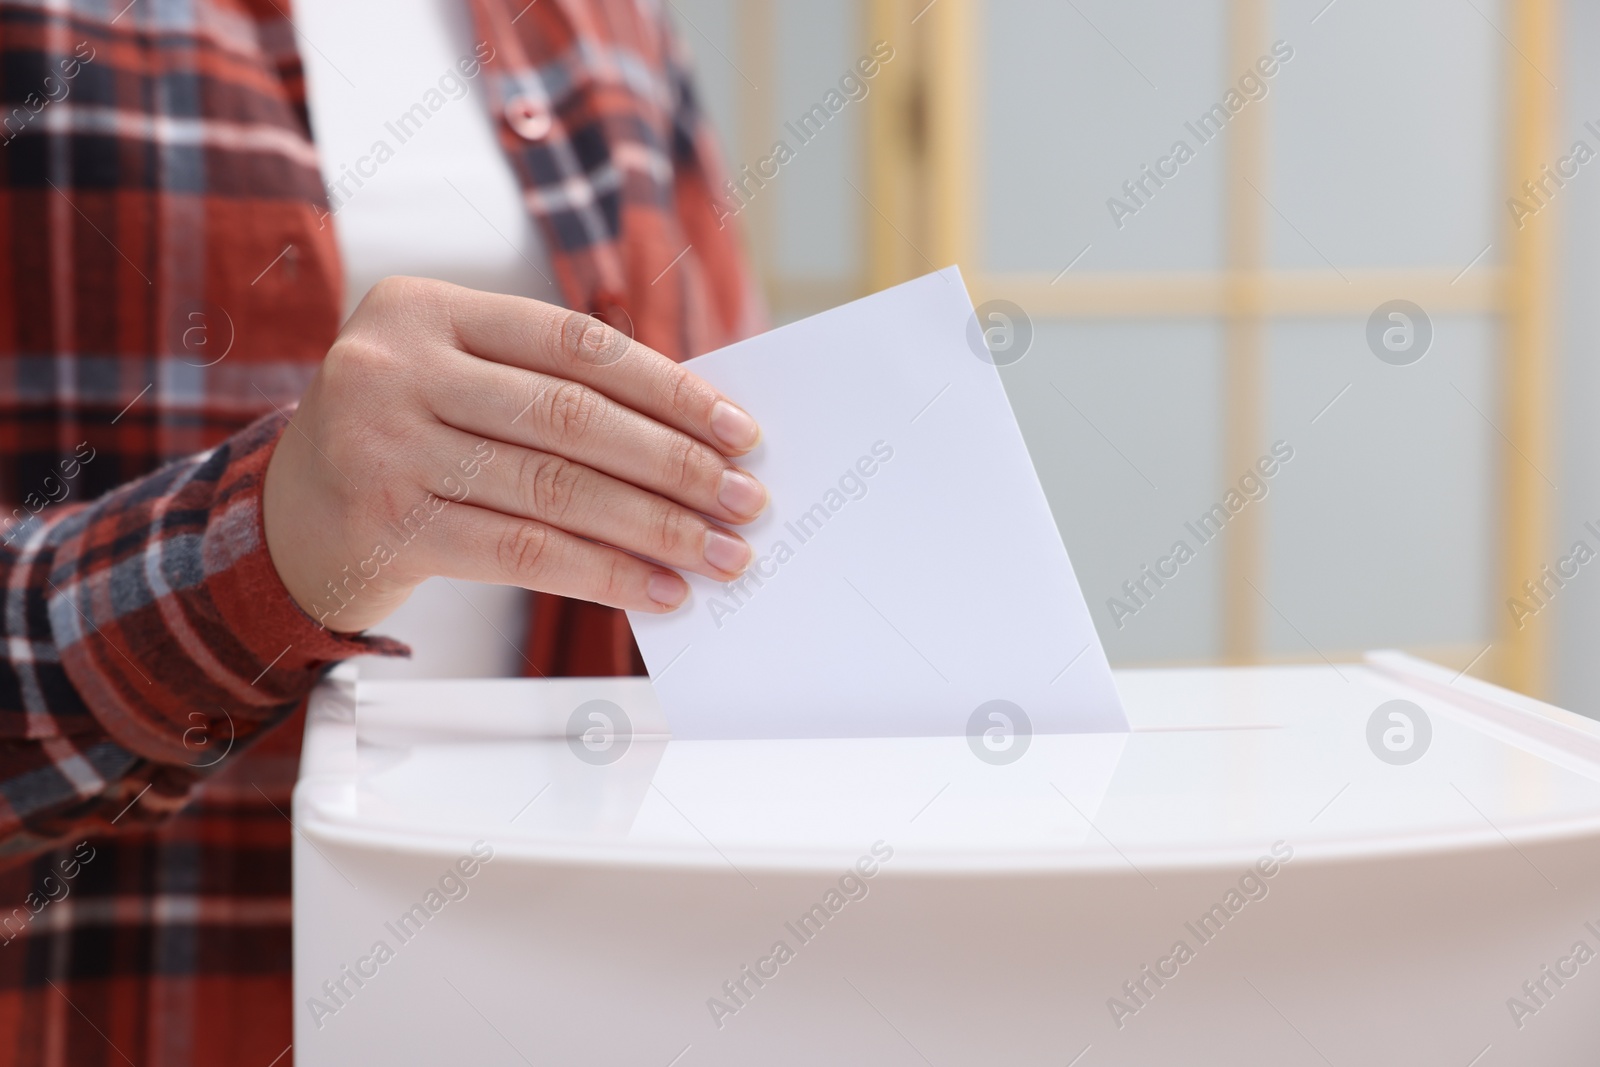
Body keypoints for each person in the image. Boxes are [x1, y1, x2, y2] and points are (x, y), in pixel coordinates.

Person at [0, 0, 765, 1062]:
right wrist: (260, 554)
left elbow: (730, 455)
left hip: (573, 991)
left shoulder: (609, 25)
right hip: (125, 1002)